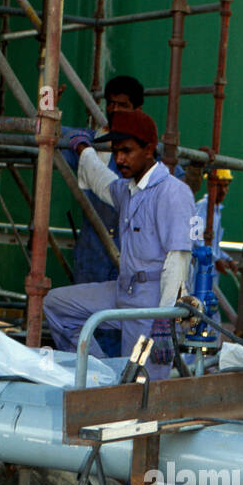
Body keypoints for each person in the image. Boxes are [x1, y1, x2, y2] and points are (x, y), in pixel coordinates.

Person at [43, 109, 195, 380]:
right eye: (116, 151)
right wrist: (84, 150)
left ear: (149, 149)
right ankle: (102, 376)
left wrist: (164, 318)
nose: (119, 158)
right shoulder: (129, 190)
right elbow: (103, 182)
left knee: (142, 391)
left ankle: (119, 386)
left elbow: (179, 259)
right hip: (124, 290)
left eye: (127, 150)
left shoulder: (172, 192)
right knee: (56, 304)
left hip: (153, 302)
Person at [63, 74, 145, 286]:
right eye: (111, 103)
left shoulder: (148, 150)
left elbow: (180, 183)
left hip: (132, 252)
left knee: (125, 314)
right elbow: (52, 135)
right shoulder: (91, 140)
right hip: (92, 252)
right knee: (85, 314)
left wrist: (196, 170)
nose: (115, 109)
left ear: (138, 110)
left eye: (123, 105)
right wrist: (49, 110)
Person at [190, 169, 235, 291]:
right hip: (199, 273)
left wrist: (227, 259)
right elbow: (195, 239)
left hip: (209, 272)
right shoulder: (202, 207)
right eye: (219, 186)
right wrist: (216, 260)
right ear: (210, 186)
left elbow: (214, 246)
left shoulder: (216, 210)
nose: (223, 190)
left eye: (226, 186)